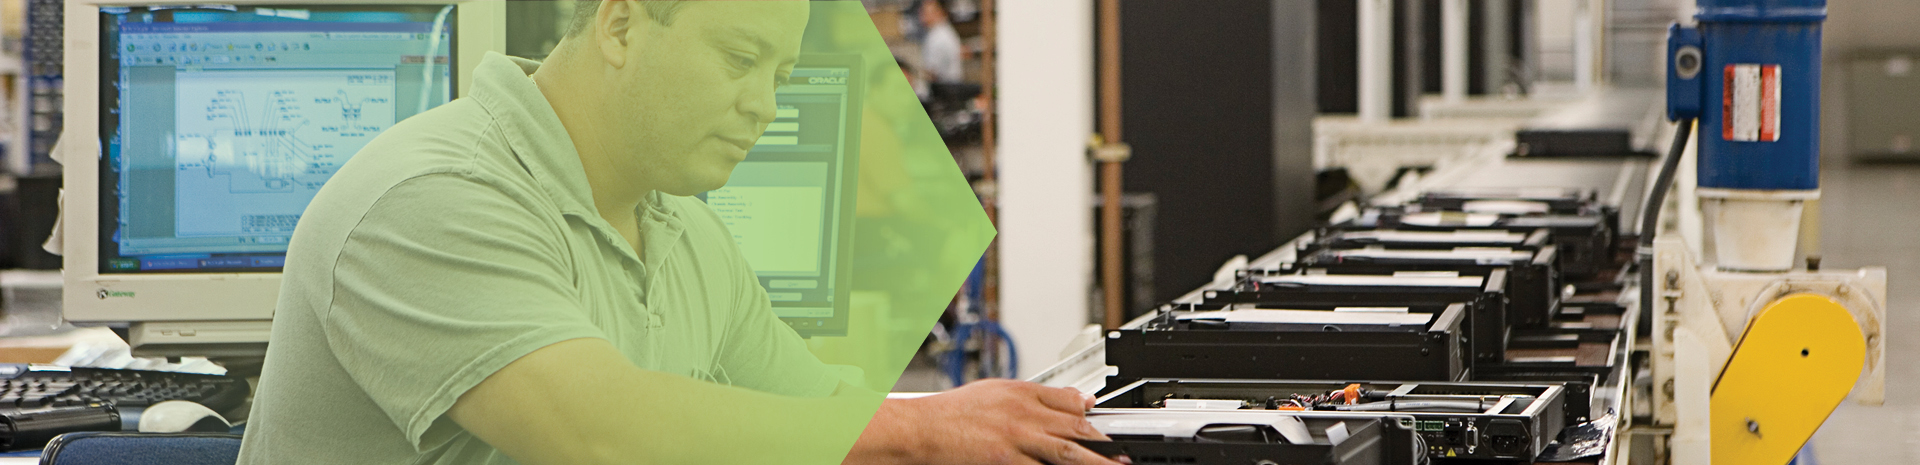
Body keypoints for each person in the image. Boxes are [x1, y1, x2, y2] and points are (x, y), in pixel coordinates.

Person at [236, 1, 1123, 464]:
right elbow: (598, 430)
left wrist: (994, 427)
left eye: (780, 74)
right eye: (741, 59)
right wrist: (929, 431)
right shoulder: (430, 195)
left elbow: (821, 418)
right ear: (620, 24)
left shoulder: (681, 233)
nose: (766, 106)